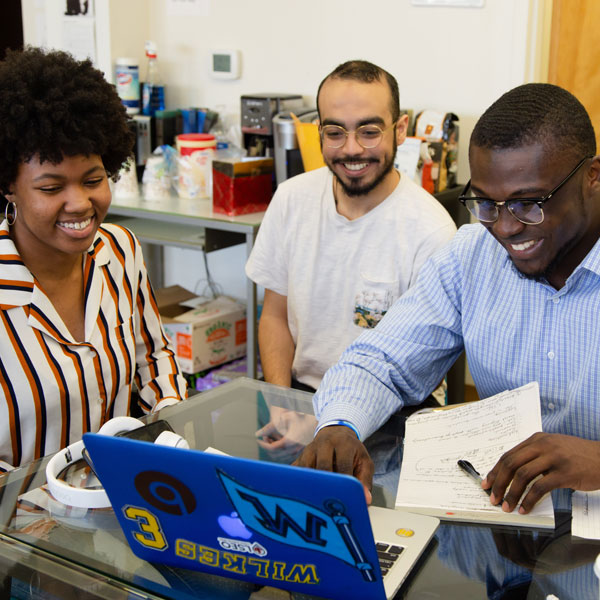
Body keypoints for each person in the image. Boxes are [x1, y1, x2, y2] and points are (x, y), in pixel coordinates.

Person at [295, 82, 600, 515]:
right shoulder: (471, 255)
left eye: (529, 203)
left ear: (594, 176)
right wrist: (341, 426)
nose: (507, 228)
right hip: (509, 524)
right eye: (487, 204)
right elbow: (380, 363)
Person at [0, 47, 187, 472]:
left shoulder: (120, 250)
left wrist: (170, 431)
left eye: (93, 180)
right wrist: (45, 507)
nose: (80, 204)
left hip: (123, 500)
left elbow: (153, 358)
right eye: (51, 188)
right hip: (21, 528)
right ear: (9, 186)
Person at [245, 60, 456, 397]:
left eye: (369, 132)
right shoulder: (291, 200)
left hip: (393, 406)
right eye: (335, 133)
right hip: (304, 395)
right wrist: (282, 404)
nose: (352, 148)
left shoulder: (431, 231)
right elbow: (274, 316)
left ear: (400, 129)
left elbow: (417, 366)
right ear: (320, 133)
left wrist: (338, 423)